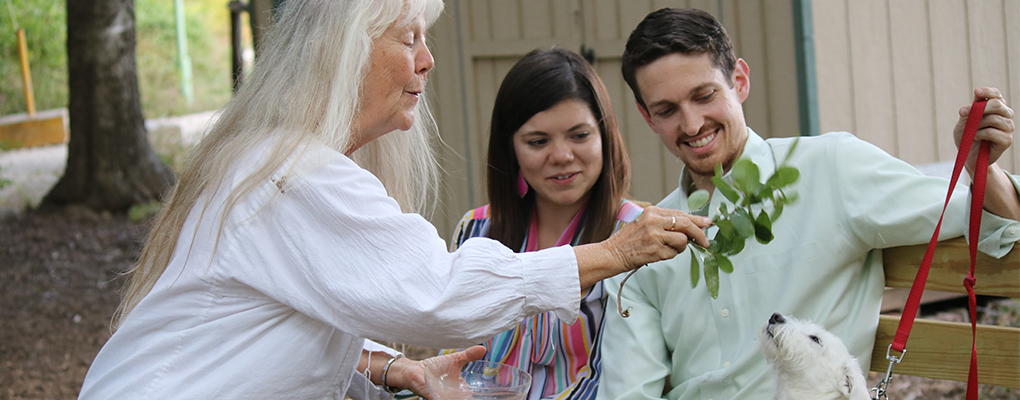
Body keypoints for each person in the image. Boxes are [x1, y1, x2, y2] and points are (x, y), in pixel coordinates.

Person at [75, 2, 714, 399]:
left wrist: (390, 372)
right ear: (347, 49)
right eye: (409, 37)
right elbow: (437, 295)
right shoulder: (297, 174)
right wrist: (611, 253)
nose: (429, 60)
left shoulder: (280, 161)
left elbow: (273, 327)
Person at [597, 8, 1020, 400]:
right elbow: (628, 392)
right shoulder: (640, 246)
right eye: (667, 110)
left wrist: (978, 162)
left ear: (739, 81)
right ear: (647, 116)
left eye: (704, 95)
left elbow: (994, 221)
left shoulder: (832, 170)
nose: (691, 124)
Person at [441, 48, 641, 400]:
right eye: (538, 141)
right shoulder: (476, 229)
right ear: (511, 149)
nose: (562, 156)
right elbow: (452, 350)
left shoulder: (633, 237)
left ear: (604, 136)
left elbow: (618, 378)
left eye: (579, 135)